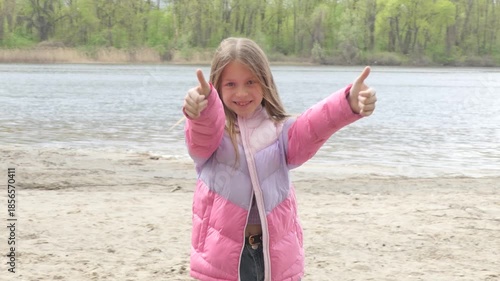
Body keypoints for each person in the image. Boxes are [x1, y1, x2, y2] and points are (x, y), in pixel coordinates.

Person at [182, 37, 377, 281]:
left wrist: (347, 103)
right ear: (217, 87)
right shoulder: (214, 131)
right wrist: (200, 110)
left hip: (274, 255)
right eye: (231, 84)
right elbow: (201, 134)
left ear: (265, 82)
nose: (241, 92)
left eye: (250, 82)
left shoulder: (279, 131)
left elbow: (313, 126)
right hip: (221, 257)